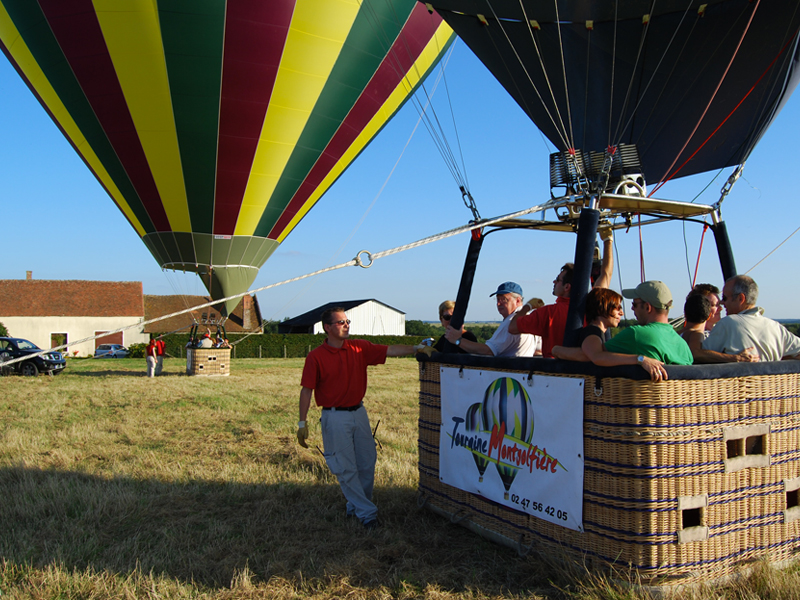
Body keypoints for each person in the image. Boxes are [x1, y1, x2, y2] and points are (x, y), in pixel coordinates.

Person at [298, 307, 426, 529]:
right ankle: (367, 514)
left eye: (347, 321)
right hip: (334, 417)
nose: (346, 325)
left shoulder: (360, 347)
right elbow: (306, 390)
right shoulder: (315, 357)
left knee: (367, 462)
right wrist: (302, 423)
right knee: (345, 467)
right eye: (340, 322)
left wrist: (416, 348)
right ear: (327, 328)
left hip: (359, 413)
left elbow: (389, 350)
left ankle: (356, 506)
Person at [552, 288, 668, 381]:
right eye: (617, 308)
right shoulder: (592, 332)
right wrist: (640, 359)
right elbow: (594, 356)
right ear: (602, 309)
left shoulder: (597, 333)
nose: (621, 313)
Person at [703, 275, 800, 361]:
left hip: (739, 381)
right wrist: (780, 359)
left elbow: (698, 356)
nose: (722, 303)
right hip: (771, 380)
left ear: (741, 298)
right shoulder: (776, 327)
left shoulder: (728, 323)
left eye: (725, 298)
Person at [603, 281, 693, 365]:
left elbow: (592, 355)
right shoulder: (684, 346)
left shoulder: (635, 334)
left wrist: (597, 325)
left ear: (647, 307)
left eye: (635, 304)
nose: (632, 308)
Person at [444, 282, 539, 357]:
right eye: (497, 299)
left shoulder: (510, 322)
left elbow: (489, 351)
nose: (498, 304)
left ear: (518, 300)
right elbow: (539, 350)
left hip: (508, 376)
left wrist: (457, 340)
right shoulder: (529, 319)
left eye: (504, 299)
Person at [509, 264, 573, 358]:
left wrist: (527, 306)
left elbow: (513, 327)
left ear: (567, 287)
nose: (554, 281)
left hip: (552, 370)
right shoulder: (590, 311)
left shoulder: (549, 312)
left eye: (558, 279)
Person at [681, 293, 757, 364]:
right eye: (714, 305)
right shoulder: (696, 334)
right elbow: (695, 353)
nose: (721, 308)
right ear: (709, 314)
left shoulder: (677, 334)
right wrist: (736, 358)